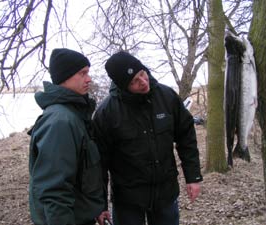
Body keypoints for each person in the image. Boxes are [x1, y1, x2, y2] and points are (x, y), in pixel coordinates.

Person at [93, 51, 203, 225]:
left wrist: (193, 177)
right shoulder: (106, 113)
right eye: (135, 81)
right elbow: (98, 163)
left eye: (142, 74)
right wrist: (100, 204)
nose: (143, 82)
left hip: (165, 193)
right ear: (122, 86)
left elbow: (186, 136)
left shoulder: (167, 97)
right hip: (127, 200)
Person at [28, 48, 108, 225]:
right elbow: (54, 192)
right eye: (82, 73)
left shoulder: (75, 115)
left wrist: (96, 208)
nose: (89, 79)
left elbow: (84, 174)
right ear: (65, 76)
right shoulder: (60, 121)